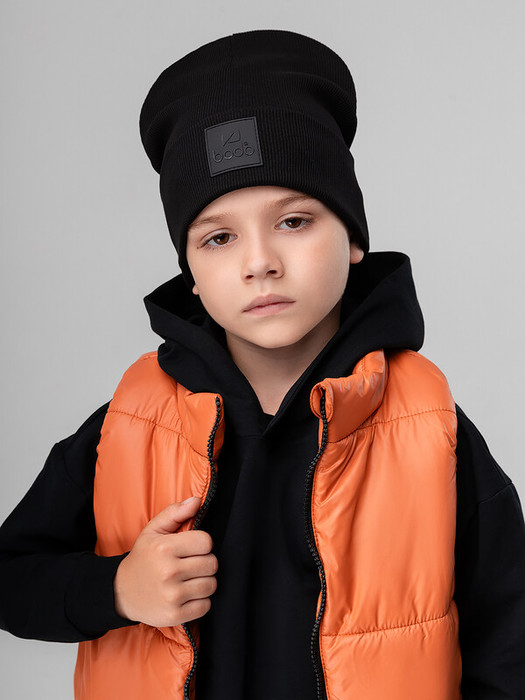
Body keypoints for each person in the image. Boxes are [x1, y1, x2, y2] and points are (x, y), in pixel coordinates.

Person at [1, 28, 524, 700]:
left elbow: (509, 641)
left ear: (352, 236)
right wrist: (117, 589)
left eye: (293, 222)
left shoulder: (429, 428)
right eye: (219, 237)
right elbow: (12, 579)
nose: (259, 262)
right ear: (191, 275)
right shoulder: (130, 426)